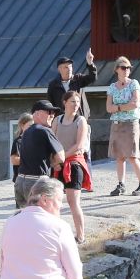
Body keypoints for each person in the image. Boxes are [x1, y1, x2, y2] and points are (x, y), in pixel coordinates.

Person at [53, 89, 91, 242]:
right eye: (72, 102)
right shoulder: (57, 120)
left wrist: (61, 159)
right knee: (54, 201)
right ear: (65, 103)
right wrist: (54, 161)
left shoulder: (80, 120)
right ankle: (56, 234)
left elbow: (79, 144)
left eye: (77, 102)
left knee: (73, 202)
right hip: (58, 164)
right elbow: (52, 141)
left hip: (74, 163)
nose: (76, 105)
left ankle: (80, 236)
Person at [103, 57, 140, 197]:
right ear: (116, 69)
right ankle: (121, 185)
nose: (126, 70)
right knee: (119, 156)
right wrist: (123, 107)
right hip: (116, 124)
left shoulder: (134, 84)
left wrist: (118, 107)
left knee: (132, 155)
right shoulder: (112, 87)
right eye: (123, 67)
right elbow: (108, 108)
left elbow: (135, 104)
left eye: (128, 67)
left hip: (131, 123)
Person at [13, 100, 64, 209]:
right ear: (37, 113)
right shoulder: (46, 131)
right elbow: (61, 157)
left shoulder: (26, 132)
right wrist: (53, 163)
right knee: (42, 216)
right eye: (49, 112)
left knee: (25, 217)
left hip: (20, 181)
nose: (52, 115)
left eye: (53, 113)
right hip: (36, 182)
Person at [46, 50, 97, 118]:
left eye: (70, 67)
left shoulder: (78, 79)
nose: (69, 69)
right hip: (61, 119)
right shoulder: (53, 85)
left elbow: (92, 78)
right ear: (59, 69)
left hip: (79, 116)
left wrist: (90, 64)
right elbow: (50, 104)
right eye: (66, 67)